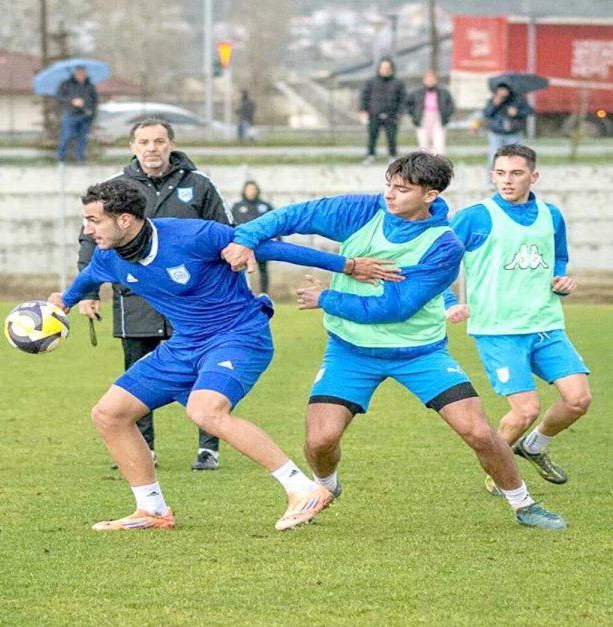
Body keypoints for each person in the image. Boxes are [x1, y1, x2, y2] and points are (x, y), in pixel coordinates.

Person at [222, 151, 566, 529]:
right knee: (320, 441)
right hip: (350, 349)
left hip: (420, 353)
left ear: (430, 195)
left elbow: (396, 307)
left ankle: (523, 504)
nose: (389, 194)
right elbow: (294, 215)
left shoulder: (444, 244)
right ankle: (324, 489)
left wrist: (327, 299)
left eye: (402, 189)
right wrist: (247, 238)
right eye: (389, 185)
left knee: (479, 432)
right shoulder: (361, 211)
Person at [51, 179, 401, 531]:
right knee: (109, 414)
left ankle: (303, 489)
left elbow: (269, 248)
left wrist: (348, 266)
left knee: (205, 410)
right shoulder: (108, 256)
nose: (87, 229)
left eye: (93, 220)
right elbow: (88, 278)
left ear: (125, 220)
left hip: (238, 335)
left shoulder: (193, 235)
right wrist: (64, 302)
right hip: (185, 345)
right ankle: (152, 510)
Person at [77, 118, 231, 470]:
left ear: (171, 144)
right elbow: (90, 240)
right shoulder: (113, 189)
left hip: (192, 302)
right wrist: (87, 291)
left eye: (159, 141)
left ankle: (208, 448)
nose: (152, 148)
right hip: (136, 299)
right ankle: (144, 448)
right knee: (138, 376)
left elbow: (224, 236)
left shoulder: (199, 185)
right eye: (144, 142)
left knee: (203, 373)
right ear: (132, 147)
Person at [445, 144, 591, 495]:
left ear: (533, 176)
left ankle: (533, 446)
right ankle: (500, 474)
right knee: (525, 411)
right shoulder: (474, 217)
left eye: (516, 173)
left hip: (546, 325)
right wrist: (448, 302)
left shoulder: (551, 215)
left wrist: (561, 281)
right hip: (499, 331)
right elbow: (437, 263)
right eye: (500, 173)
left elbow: (558, 259)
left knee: (578, 400)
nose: (507, 180)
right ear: (492, 175)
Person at [230, 180, 275, 295]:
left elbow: (275, 223)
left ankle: (264, 294)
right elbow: (231, 224)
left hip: (262, 243)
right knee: (242, 269)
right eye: (249, 189)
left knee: (263, 269)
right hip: (243, 243)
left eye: (253, 189)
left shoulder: (265, 206)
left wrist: (277, 238)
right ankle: (244, 293)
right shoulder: (237, 206)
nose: (251, 192)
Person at [359, 57, 406, 164]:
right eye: (383, 67)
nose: (385, 70)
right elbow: (365, 96)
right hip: (374, 113)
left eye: (388, 68)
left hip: (392, 114)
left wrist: (400, 113)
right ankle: (370, 155)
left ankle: (392, 156)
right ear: (379, 68)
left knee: (391, 137)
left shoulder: (398, 82)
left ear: (392, 68)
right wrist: (362, 110)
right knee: (372, 136)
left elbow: (403, 99)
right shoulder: (371, 81)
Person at [482, 83, 532, 175]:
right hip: (496, 134)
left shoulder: (517, 100)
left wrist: (517, 112)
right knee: (494, 158)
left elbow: (529, 111)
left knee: (515, 159)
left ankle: (514, 179)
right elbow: (486, 113)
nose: (502, 92)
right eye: (500, 90)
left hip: (513, 134)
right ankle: (491, 180)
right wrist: (494, 105)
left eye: (504, 90)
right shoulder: (492, 100)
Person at [55, 65, 98, 163]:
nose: (81, 75)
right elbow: (59, 97)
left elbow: (95, 100)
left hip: (86, 115)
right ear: (75, 73)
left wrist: (91, 110)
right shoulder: (66, 84)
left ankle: (81, 159)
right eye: (79, 72)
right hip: (71, 114)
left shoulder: (90, 86)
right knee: (66, 136)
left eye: (83, 73)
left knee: (82, 138)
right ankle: (60, 158)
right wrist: (72, 101)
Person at [406, 70, 455, 155]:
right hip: (422, 118)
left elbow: (450, 105)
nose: (430, 81)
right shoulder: (417, 93)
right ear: (424, 80)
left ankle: (438, 160)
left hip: (438, 118)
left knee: (439, 142)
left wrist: (446, 115)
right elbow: (409, 105)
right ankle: (425, 161)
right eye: (428, 79)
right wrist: (414, 116)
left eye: (432, 79)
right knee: (424, 143)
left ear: (436, 80)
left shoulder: (443, 92)